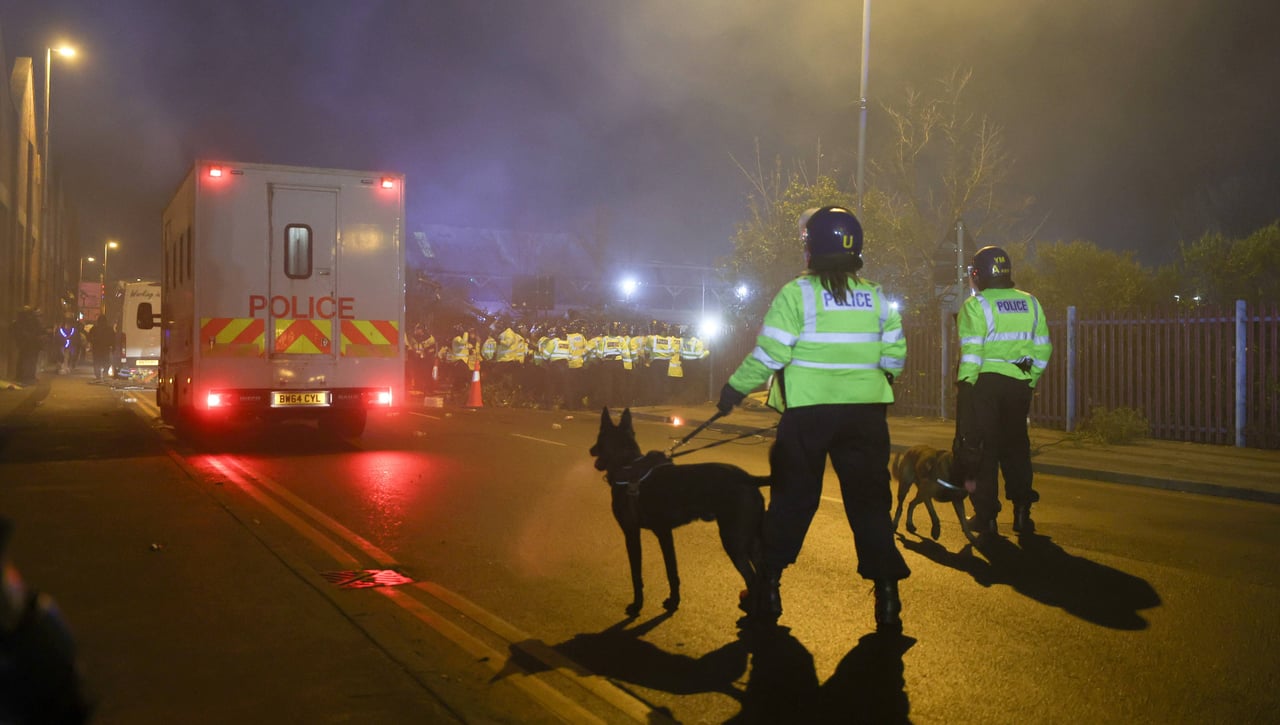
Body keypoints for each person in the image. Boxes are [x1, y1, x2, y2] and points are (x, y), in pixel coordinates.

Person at [716, 205, 910, 631]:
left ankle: (767, 590)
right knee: (870, 506)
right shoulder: (876, 297)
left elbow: (771, 355)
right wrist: (875, 386)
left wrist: (734, 389)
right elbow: (895, 354)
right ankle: (889, 600)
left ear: (811, 248)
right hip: (866, 417)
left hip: (806, 416)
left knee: (792, 501)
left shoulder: (796, 295)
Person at [955, 245, 1053, 536]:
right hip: (1017, 387)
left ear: (978, 273)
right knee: (1016, 449)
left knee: (984, 452)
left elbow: (972, 354)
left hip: (983, 387)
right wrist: (1028, 378)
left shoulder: (977, 305)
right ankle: (1022, 513)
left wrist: (965, 389)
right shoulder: (1031, 303)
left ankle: (986, 518)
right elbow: (1042, 349)